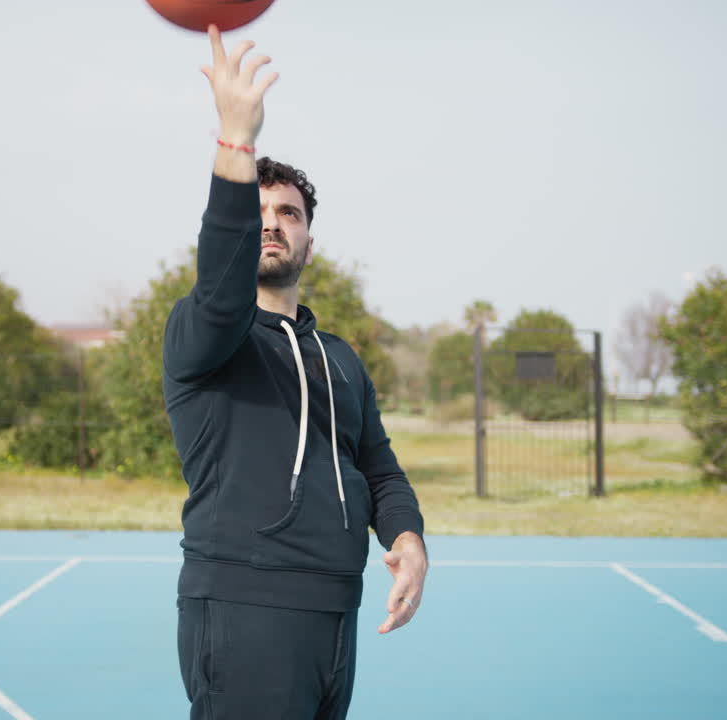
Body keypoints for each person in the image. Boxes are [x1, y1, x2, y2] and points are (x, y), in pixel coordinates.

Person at [163, 26, 429, 720]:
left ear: (312, 236)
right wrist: (235, 142)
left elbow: (380, 468)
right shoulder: (207, 335)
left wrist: (407, 539)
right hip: (248, 606)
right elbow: (221, 286)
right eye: (258, 213)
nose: (272, 223)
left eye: (288, 212)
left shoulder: (339, 357)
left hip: (336, 609)